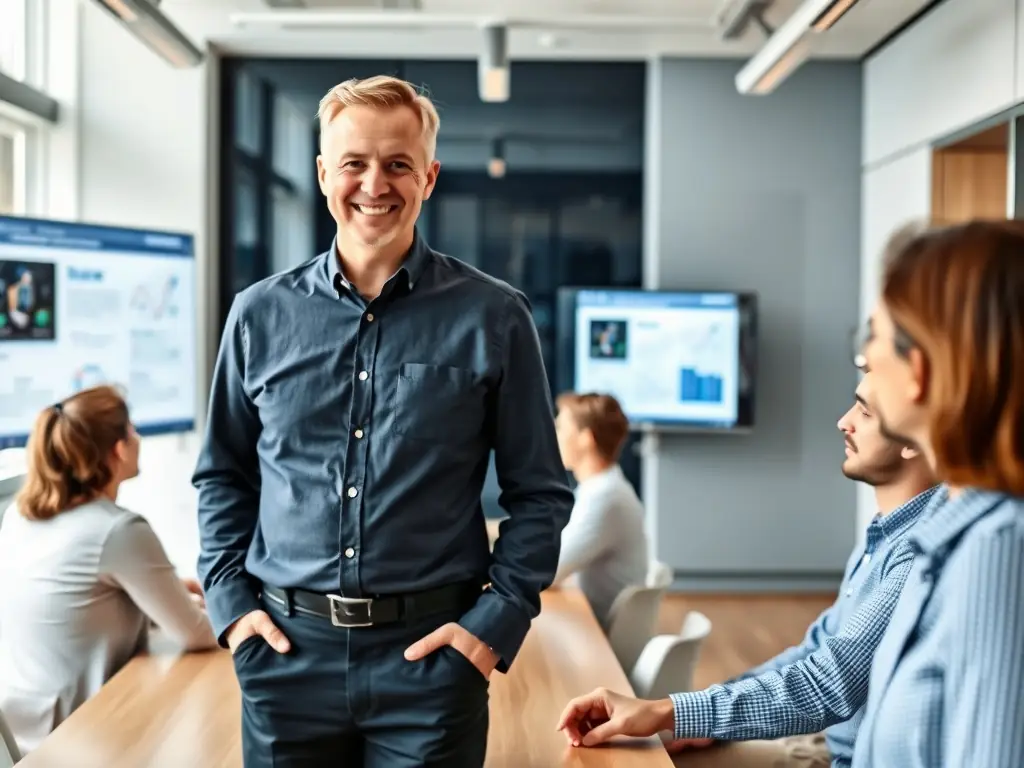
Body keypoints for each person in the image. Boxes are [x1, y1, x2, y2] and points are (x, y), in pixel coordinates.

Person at [193, 74, 573, 768]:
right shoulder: (258, 315)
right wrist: (231, 610)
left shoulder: (494, 316)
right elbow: (223, 474)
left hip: (432, 663)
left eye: (398, 164)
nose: (376, 183)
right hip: (283, 657)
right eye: (354, 163)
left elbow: (541, 492)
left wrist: (494, 624)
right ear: (322, 175)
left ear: (428, 177)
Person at [555, 372, 938, 768]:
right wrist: (703, 721)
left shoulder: (917, 555)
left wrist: (671, 712)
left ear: (912, 439)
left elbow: (828, 684)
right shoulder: (882, 533)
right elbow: (815, 650)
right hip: (826, 744)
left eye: (865, 410)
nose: (844, 421)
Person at [850, 221, 1024, 768]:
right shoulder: (951, 527)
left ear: (918, 371)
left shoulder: (998, 549)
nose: (865, 360)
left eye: (873, 337)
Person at [0, 385, 216, 755]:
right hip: (82, 738)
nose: (138, 438)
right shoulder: (118, 531)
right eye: (131, 430)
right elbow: (198, 634)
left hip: (24, 734)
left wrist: (153, 593)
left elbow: (75, 603)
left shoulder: (19, 514)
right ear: (118, 449)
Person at [549, 391, 648, 630]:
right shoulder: (603, 487)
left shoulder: (605, 499)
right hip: (590, 624)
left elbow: (548, 572)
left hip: (596, 638)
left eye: (561, 428)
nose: (554, 435)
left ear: (586, 439)